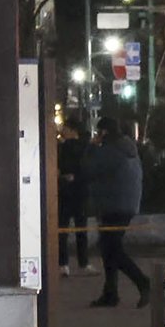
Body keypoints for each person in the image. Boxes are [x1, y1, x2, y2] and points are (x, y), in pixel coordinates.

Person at [82, 116, 151, 308]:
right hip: (124, 204)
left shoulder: (111, 150)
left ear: (104, 132)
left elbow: (89, 169)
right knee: (109, 249)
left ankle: (143, 282)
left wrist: (92, 147)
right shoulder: (126, 148)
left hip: (113, 205)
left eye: (99, 132)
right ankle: (110, 292)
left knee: (112, 249)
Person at [56, 115, 94, 276]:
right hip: (80, 192)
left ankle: (63, 264)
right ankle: (83, 263)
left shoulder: (62, 147)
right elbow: (89, 169)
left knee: (63, 230)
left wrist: (66, 176)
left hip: (66, 191)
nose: (62, 130)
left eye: (65, 128)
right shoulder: (86, 148)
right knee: (80, 229)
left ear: (72, 130)